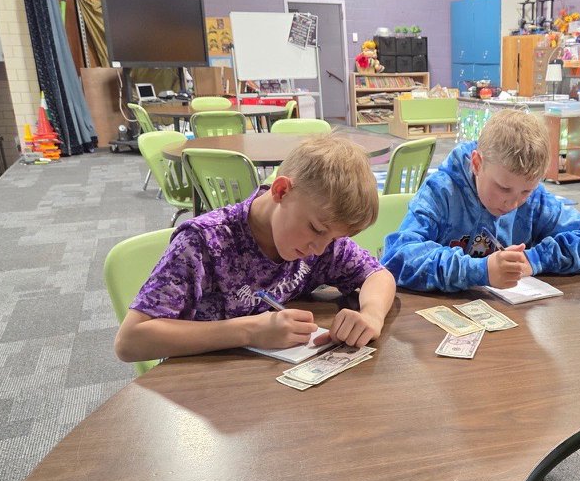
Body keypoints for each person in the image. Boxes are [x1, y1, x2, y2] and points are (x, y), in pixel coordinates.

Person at [114, 135, 397, 363]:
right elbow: (130, 341)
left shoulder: (322, 240)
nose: (318, 249)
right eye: (317, 230)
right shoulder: (203, 243)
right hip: (203, 393)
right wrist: (249, 330)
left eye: (333, 240)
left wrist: (371, 314)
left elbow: (379, 275)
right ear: (282, 191)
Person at [380, 109, 580, 292]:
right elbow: (397, 257)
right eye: (504, 188)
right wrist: (479, 270)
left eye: (525, 192)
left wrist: (534, 259)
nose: (513, 204)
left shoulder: (533, 200)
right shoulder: (442, 192)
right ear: (477, 164)